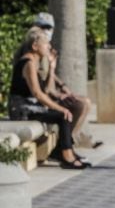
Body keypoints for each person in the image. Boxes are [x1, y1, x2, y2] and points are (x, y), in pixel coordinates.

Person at [7, 28, 88, 169]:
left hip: (31, 105)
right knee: (63, 115)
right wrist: (60, 108)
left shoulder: (34, 61)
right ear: (35, 46)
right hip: (21, 109)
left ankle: (62, 151)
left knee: (66, 112)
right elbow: (38, 94)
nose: (49, 47)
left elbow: (47, 90)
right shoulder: (29, 63)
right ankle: (67, 157)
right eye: (46, 44)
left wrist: (51, 67)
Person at [29, 12, 97, 149]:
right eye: (42, 27)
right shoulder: (34, 50)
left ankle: (69, 141)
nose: (46, 31)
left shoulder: (45, 47)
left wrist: (62, 85)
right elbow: (41, 88)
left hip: (48, 93)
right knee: (80, 105)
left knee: (85, 103)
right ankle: (66, 146)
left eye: (49, 28)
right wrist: (56, 95)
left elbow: (49, 73)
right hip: (39, 100)